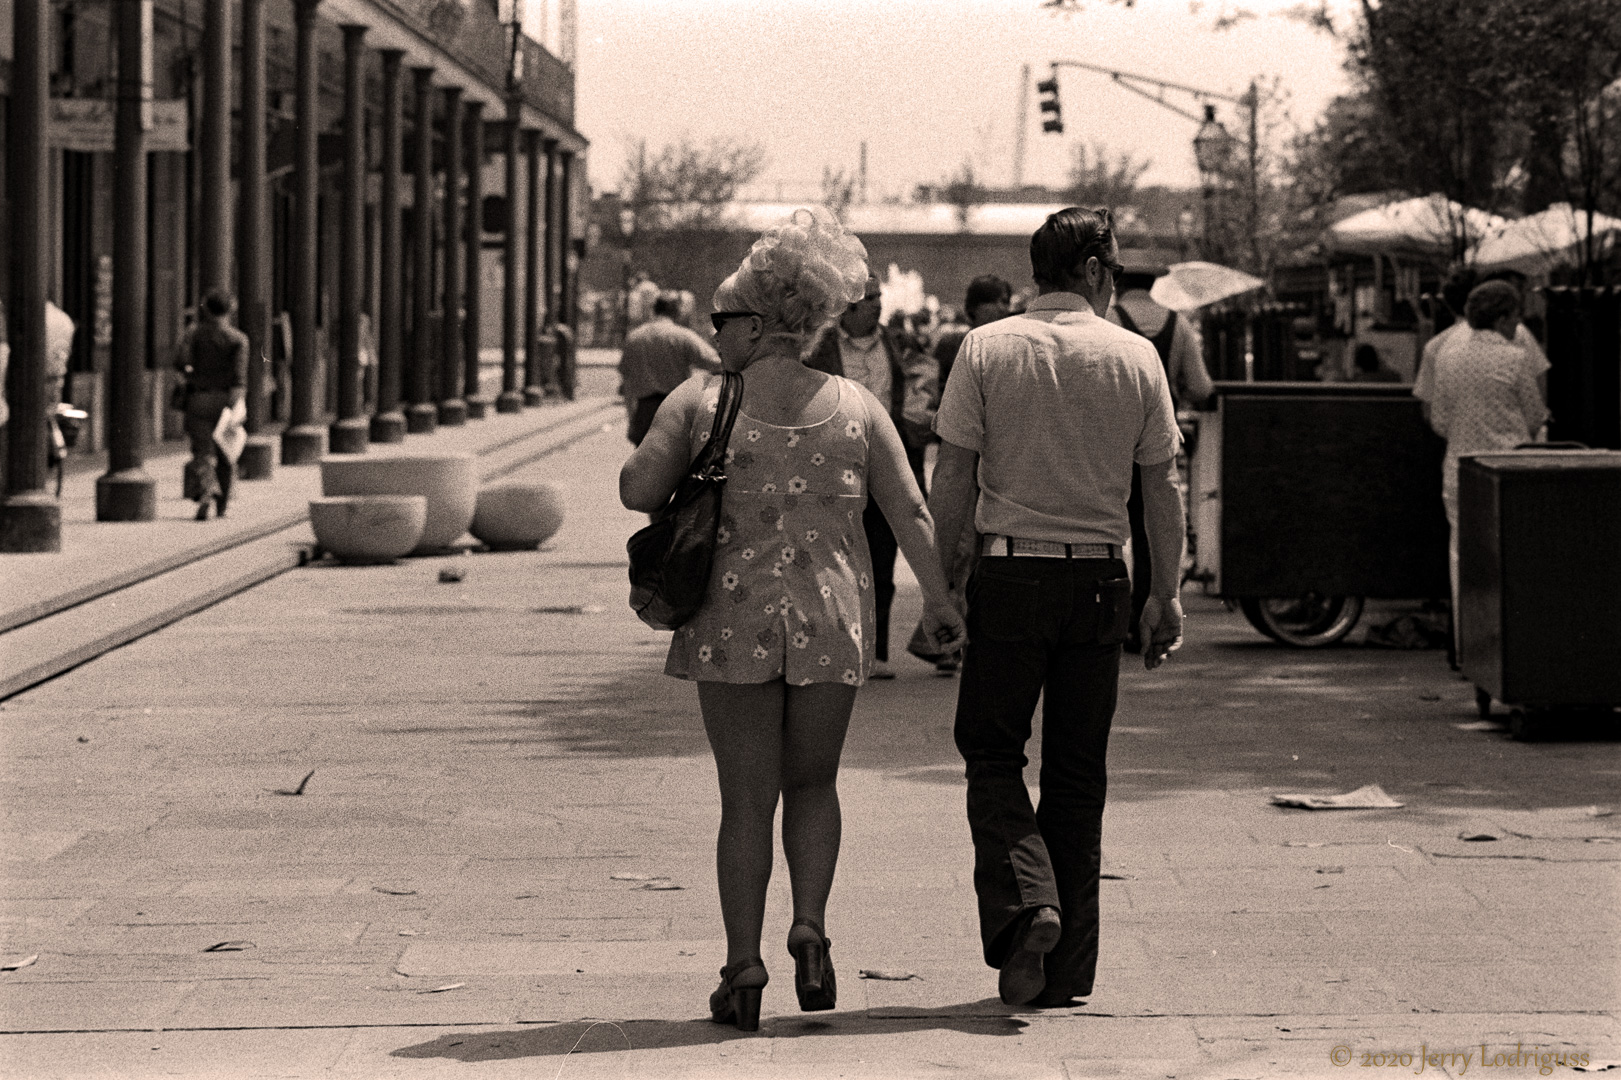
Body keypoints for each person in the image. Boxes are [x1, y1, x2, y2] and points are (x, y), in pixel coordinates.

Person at [619, 208, 966, 1032]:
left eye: (722, 320)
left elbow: (636, 490)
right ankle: (809, 925)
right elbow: (911, 510)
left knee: (745, 803)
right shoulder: (854, 405)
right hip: (830, 618)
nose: (715, 333)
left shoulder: (705, 399)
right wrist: (942, 603)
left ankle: (743, 968)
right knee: (813, 783)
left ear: (758, 320)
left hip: (728, 620)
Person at [928, 206, 1186, 1009]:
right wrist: (1164, 594)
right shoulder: (1137, 357)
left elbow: (952, 480)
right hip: (1100, 584)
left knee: (992, 752)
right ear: (1099, 271)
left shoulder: (984, 348)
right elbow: (1159, 491)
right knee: (1078, 774)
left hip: (1009, 580)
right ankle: (1067, 969)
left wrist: (941, 587)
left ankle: (1027, 904)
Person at [804, 274, 940, 678]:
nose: (878, 305)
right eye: (869, 299)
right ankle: (831, 645)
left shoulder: (899, 343)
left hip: (886, 464)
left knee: (882, 560)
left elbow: (925, 385)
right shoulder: (819, 347)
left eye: (880, 297)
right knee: (829, 560)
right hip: (830, 468)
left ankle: (875, 653)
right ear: (847, 306)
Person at [1413, 280, 1547, 662]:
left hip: (1460, 468)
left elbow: (1437, 419)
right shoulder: (1514, 358)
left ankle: (1466, 646)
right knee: (1511, 558)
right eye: (1515, 317)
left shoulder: (1446, 355)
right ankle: (1508, 647)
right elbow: (1535, 415)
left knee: (1462, 556)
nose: (1516, 325)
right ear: (1503, 318)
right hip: (1509, 470)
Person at [1106, 257, 1214, 652]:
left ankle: (1112, 619)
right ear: (1155, 286)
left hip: (1113, 446)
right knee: (1155, 530)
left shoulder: (1109, 320)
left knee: (1112, 534)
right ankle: (1143, 621)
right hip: (1159, 441)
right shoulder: (1179, 324)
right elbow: (1201, 387)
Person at [174, 290, 248, 521]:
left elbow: (180, 363)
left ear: (205, 308)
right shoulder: (238, 339)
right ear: (231, 309)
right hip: (226, 400)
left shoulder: (193, 334)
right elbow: (239, 378)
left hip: (198, 399)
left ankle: (206, 491)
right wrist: (236, 407)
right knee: (226, 453)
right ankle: (222, 506)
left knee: (202, 452)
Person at [617, 291, 721, 446]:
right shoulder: (683, 336)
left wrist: (632, 418)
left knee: (644, 464)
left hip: (643, 413)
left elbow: (626, 380)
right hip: (675, 411)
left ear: (654, 309)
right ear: (677, 311)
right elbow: (716, 362)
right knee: (675, 465)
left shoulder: (635, 337)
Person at [934, 275, 1013, 391]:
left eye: (1005, 302)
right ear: (974, 306)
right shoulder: (952, 344)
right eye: (992, 301)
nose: (1001, 308)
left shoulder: (1013, 345)